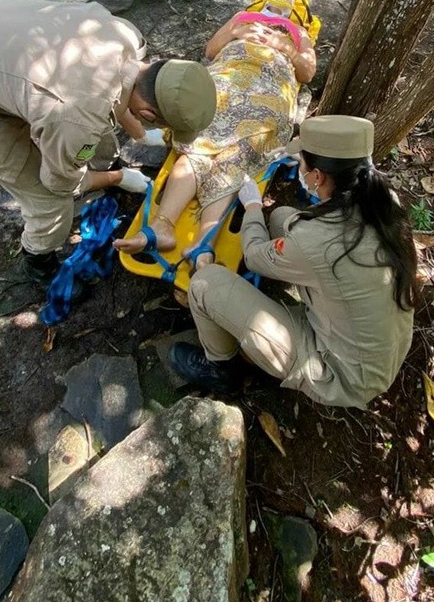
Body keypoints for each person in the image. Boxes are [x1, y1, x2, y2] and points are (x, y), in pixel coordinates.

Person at [0, 0, 216, 278]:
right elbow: (59, 183)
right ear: (149, 113)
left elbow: (118, 92)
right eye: (154, 124)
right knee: (47, 197)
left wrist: (138, 132)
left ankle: (100, 162)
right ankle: (39, 261)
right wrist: (119, 177)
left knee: (84, 132)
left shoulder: (126, 37)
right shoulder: (76, 116)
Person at [172, 115, 419, 407]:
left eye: (302, 162)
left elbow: (252, 257)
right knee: (280, 218)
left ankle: (221, 370)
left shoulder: (315, 241)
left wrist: (252, 206)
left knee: (204, 283)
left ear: (318, 177)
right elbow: (305, 234)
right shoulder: (382, 197)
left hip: (341, 374)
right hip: (377, 350)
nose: (299, 166)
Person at [113, 0, 316, 259]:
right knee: (198, 141)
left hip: (270, 89)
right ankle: (162, 226)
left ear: (297, 16)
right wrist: (236, 32)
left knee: (237, 155)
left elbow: (307, 73)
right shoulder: (244, 18)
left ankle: (202, 241)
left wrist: (289, 49)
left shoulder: (299, 34)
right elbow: (211, 51)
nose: (278, 3)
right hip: (227, 78)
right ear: (260, 3)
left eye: (287, 1)